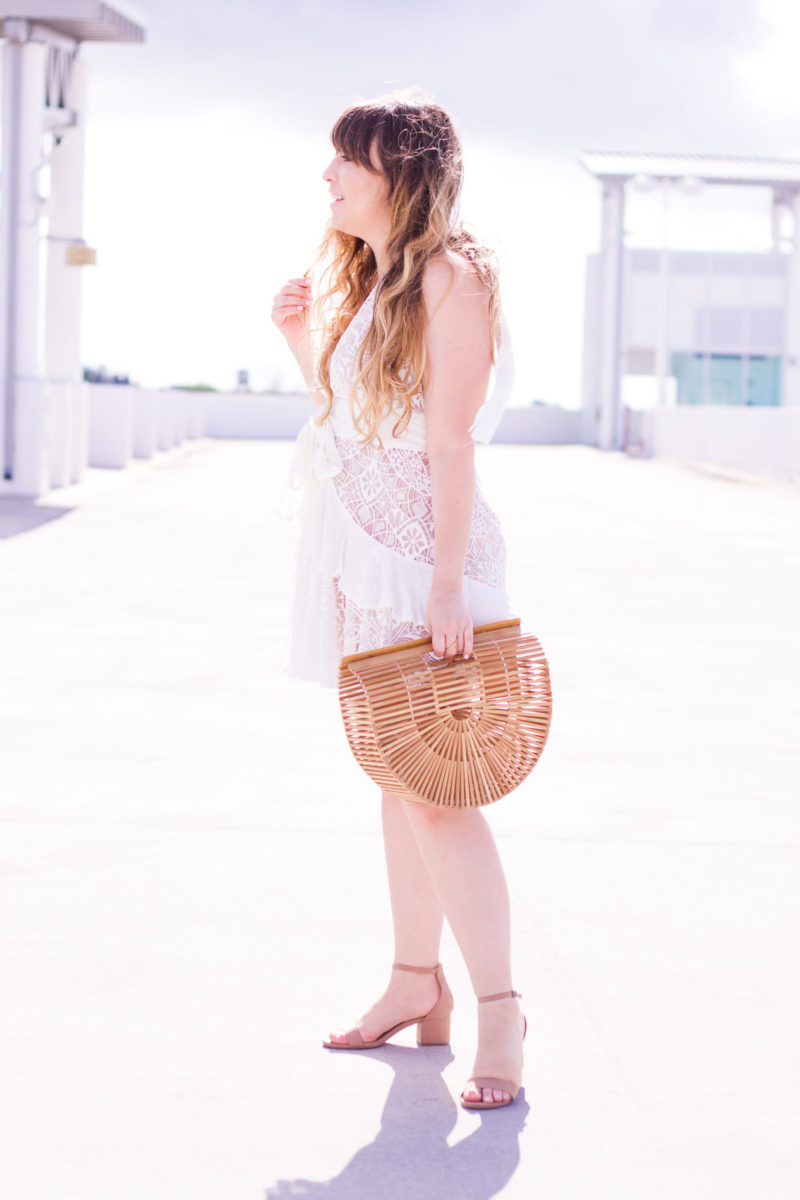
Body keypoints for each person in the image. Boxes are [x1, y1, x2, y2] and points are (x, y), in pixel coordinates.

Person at [271, 96, 525, 1111]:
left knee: (437, 790)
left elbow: (449, 441)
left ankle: (499, 1011)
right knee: (396, 777)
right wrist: (301, 338)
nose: (328, 175)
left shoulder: (452, 274)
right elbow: (353, 424)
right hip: (371, 554)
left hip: (429, 561)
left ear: (399, 173)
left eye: (347, 159)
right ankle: (415, 986)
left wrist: (448, 584)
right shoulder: (381, 278)